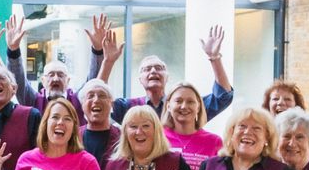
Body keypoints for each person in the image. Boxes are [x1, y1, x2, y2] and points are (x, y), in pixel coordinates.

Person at [98, 25, 233, 125]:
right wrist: (108, 62)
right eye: (147, 69)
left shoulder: (184, 106)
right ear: (140, 79)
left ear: (167, 77)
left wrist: (214, 58)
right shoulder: (129, 107)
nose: (153, 71)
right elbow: (97, 100)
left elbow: (223, 98)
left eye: (159, 68)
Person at [1, 15, 85, 123]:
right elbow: (19, 81)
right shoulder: (34, 101)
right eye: (51, 75)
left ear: (68, 80)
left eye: (60, 75)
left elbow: (93, 81)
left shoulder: (77, 101)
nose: (55, 79)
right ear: (43, 81)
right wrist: (13, 51)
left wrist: (98, 51)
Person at [161, 82, 223, 170]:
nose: (184, 106)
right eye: (178, 101)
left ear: (198, 107)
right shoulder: (158, 137)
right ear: (168, 106)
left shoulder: (214, 141)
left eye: (190, 102)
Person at [78, 80, 120, 170]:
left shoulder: (122, 137)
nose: (96, 100)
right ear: (82, 105)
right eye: (90, 96)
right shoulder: (73, 137)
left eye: (102, 96)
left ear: (111, 104)